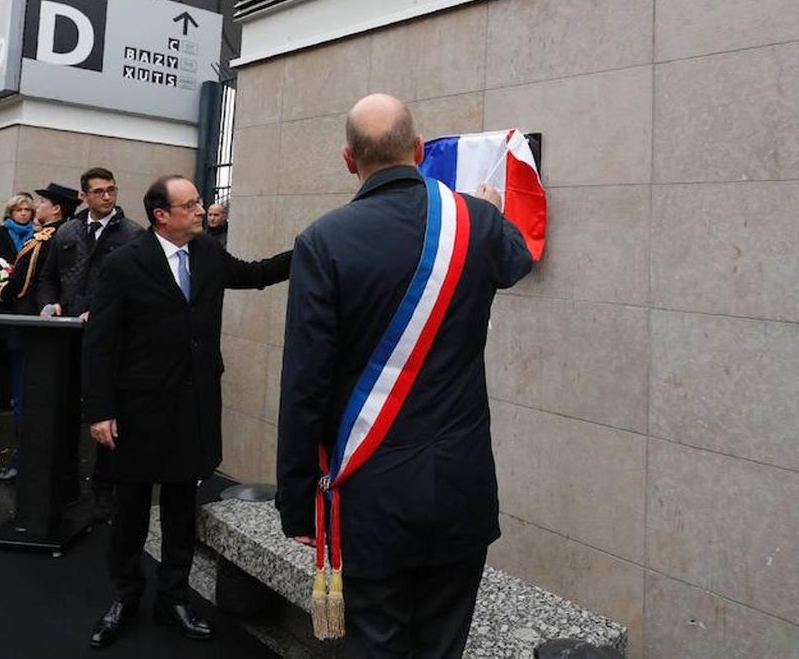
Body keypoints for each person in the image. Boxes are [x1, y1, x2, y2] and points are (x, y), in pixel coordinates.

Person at [276, 94, 534, 658]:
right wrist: (488, 209)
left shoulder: (322, 241)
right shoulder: (478, 221)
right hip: (460, 490)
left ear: (349, 160)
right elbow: (517, 263)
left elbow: (304, 385)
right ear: (417, 150)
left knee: (376, 644)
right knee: (443, 646)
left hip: (369, 495)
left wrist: (298, 502)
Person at [80, 174, 292, 648]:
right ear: (162, 215)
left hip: (192, 405)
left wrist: (311, 250)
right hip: (138, 409)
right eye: (192, 204)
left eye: (201, 202)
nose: (202, 210)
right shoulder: (125, 263)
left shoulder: (209, 253)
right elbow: (100, 344)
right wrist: (100, 410)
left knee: (180, 506)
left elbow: (255, 275)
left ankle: (174, 596)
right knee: (133, 507)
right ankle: (124, 594)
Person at [37, 167, 143, 518]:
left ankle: (105, 490)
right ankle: (64, 483)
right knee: (64, 408)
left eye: (111, 190)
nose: (107, 197)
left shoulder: (132, 234)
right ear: (83, 196)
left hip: (108, 337)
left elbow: (135, 289)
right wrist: (48, 304)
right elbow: (48, 278)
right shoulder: (65, 231)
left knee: (106, 411)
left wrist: (100, 312)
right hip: (65, 334)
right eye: (98, 191)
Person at [0, 181, 80, 484]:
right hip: (43, 326)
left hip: (30, 324)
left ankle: (23, 460)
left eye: (41, 202)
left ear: (55, 208)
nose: (36, 206)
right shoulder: (67, 233)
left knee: (26, 398)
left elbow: (21, 283)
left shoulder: (46, 237)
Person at [0, 194, 35, 266]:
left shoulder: (37, 235)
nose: (23, 213)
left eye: (27, 210)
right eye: (19, 210)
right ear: (11, 213)